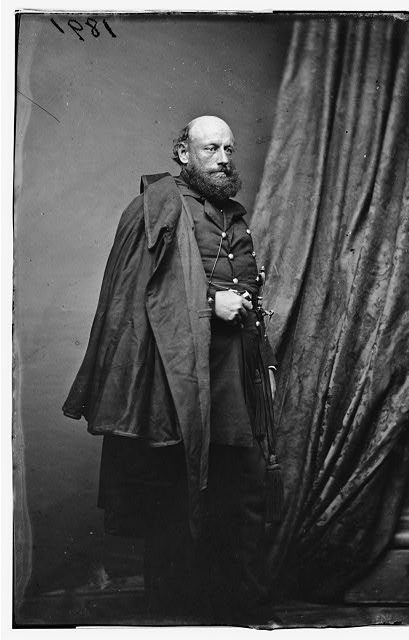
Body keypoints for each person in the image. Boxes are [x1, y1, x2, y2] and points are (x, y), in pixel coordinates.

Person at [62, 115, 282, 625]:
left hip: (234, 379)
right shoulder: (157, 206)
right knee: (175, 496)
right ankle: (175, 622)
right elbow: (138, 296)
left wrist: (259, 347)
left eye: (228, 149)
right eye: (210, 149)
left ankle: (233, 618)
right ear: (184, 153)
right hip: (177, 380)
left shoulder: (233, 215)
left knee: (236, 492)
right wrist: (210, 303)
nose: (223, 158)